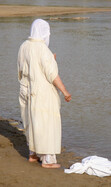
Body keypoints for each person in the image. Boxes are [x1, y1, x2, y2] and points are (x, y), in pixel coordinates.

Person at [17, 19, 71, 169]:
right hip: (41, 92)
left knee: (31, 122)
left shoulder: (24, 46)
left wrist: (50, 61)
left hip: (26, 89)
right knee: (46, 124)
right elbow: (52, 75)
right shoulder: (42, 50)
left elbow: (22, 70)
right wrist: (65, 91)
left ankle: (33, 154)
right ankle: (47, 160)